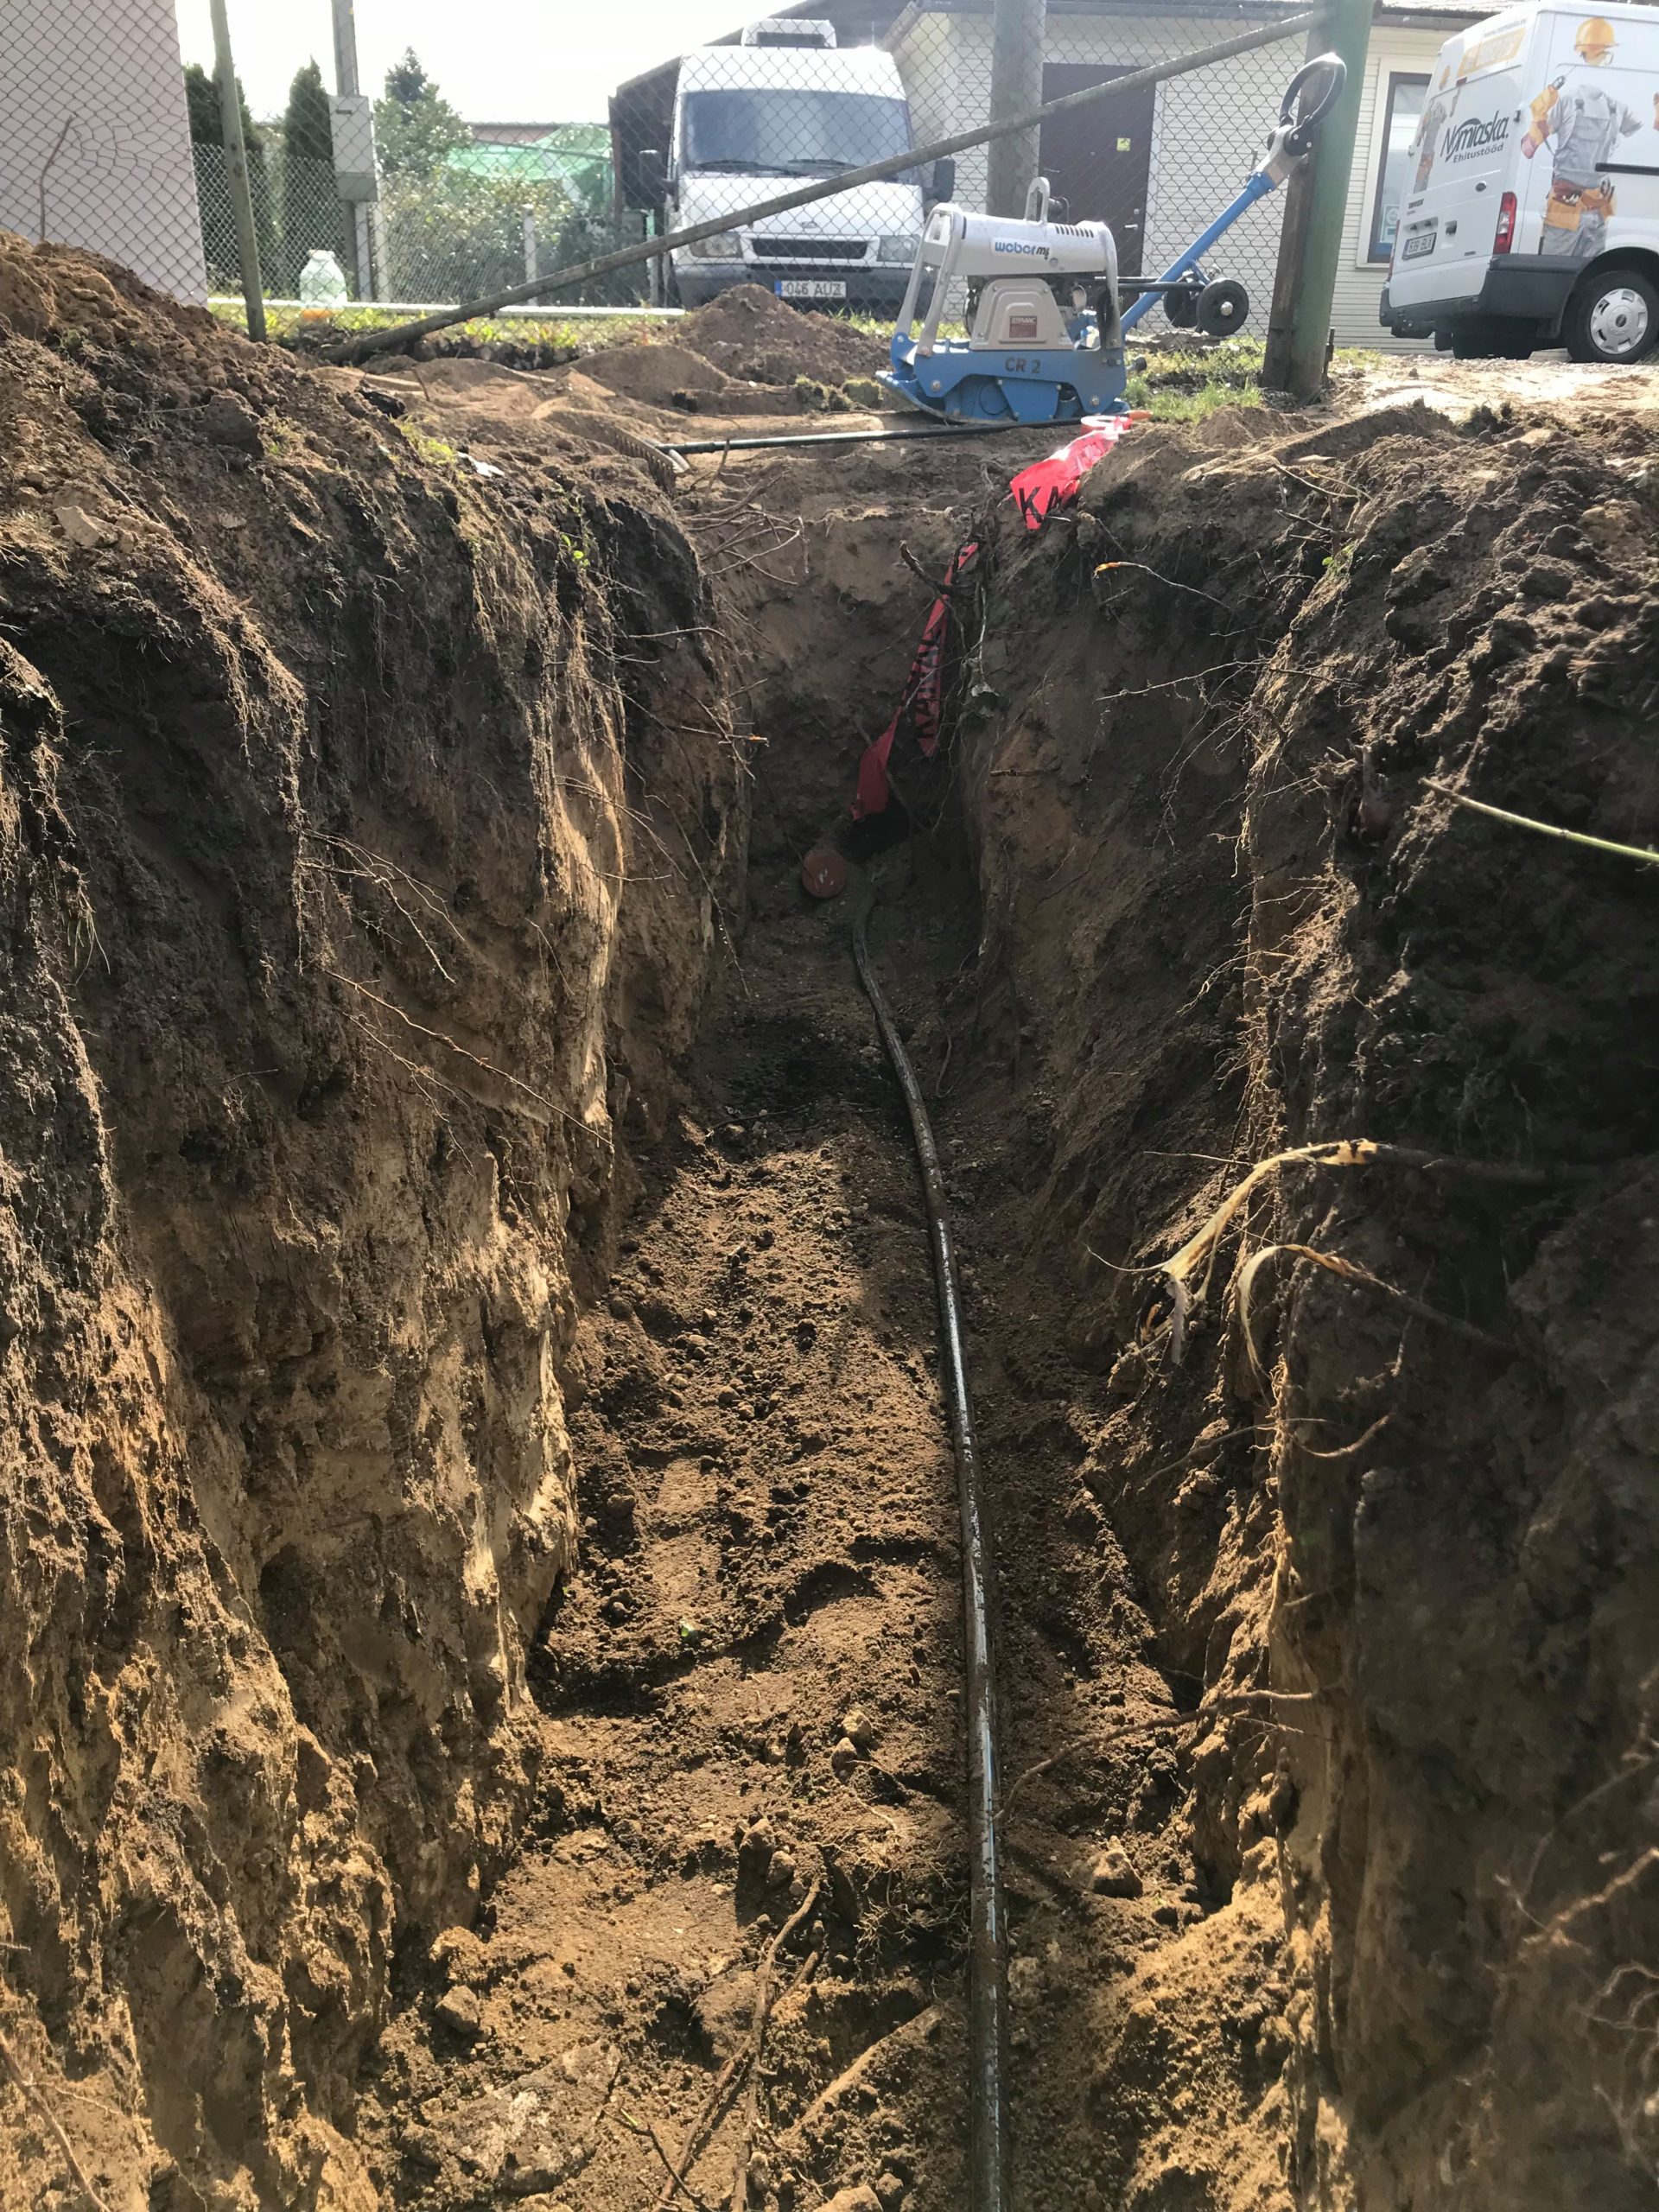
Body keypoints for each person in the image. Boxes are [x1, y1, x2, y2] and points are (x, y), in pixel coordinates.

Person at [1522, 17, 1658, 260]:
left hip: (1571, 212)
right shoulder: (1617, 107)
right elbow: (1647, 136)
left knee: (1556, 274)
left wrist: (1538, 117)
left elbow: (1527, 149)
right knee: (1590, 275)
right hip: (1593, 213)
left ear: (1581, 54)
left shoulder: (1566, 102)